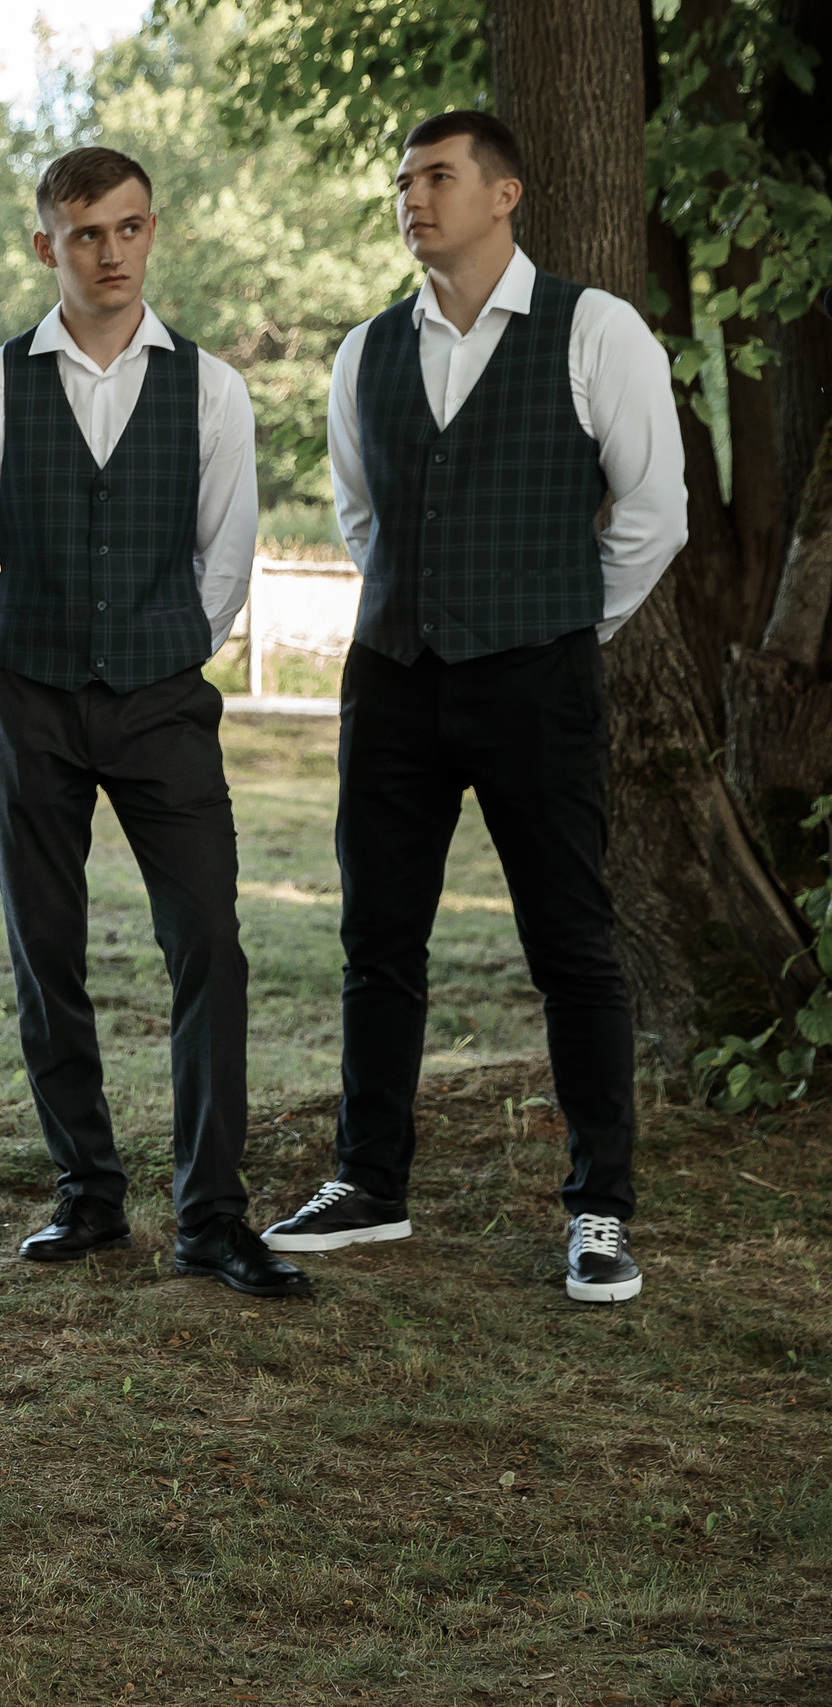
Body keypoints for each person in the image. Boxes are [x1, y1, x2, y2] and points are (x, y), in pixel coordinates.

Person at [261, 111, 687, 1305]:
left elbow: (655, 517)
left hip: (536, 681)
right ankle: (368, 1183)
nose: (413, 198)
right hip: (393, 676)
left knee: (571, 946)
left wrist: (553, 621)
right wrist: (432, 615)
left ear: (504, 194)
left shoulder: (594, 331)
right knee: (377, 943)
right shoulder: (364, 351)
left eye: (437, 178)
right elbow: (365, 518)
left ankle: (600, 1207)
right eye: (402, 180)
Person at [0, 146, 307, 1299]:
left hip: (162, 700)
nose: (109, 253)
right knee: (44, 950)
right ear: (43, 242)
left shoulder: (210, 387)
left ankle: (211, 1214)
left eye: (129, 229)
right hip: (30, 698)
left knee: (209, 942)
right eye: (84, 233)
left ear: (152, 232)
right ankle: (88, 1197)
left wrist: (153, 652)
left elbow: (224, 563)